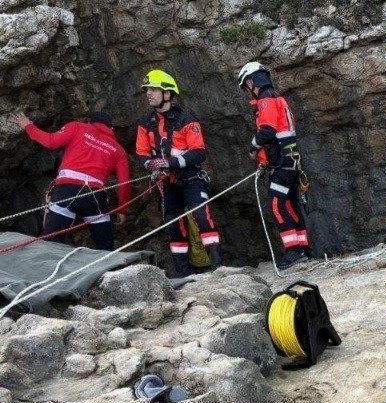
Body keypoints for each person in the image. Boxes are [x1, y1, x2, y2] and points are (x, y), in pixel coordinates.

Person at [135, 69, 222, 277]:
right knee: (173, 225)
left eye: (153, 89)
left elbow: (199, 153)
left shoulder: (186, 119)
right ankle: (183, 274)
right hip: (167, 183)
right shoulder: (145, 123)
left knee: (203, 218)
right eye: (147, 90)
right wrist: (151, 165)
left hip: (191, 179)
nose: (149, 93)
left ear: (167, 93)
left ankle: (218, 269)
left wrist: (170, 163)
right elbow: (141, 152)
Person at [14, 110, 131, 251]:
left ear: (89, 123)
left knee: (49, 244)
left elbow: (51, 142)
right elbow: (124, 183)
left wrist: (28, 126)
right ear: (111, 129)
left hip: (66, 190)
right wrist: (122, 210)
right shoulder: (118, 150)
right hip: (94, 197)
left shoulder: (77, 127)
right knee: (105, 249)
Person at [237, 61, 311, 270]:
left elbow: (267, 132)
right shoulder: (279, 98)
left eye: (246, 87)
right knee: (291, 204)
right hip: (290, 163)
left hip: (282, 164)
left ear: (251, 81)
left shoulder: (266, 100)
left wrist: (252, 147)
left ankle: (294, 252)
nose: (247, 92)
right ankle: (303, 249)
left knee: (277, 205)